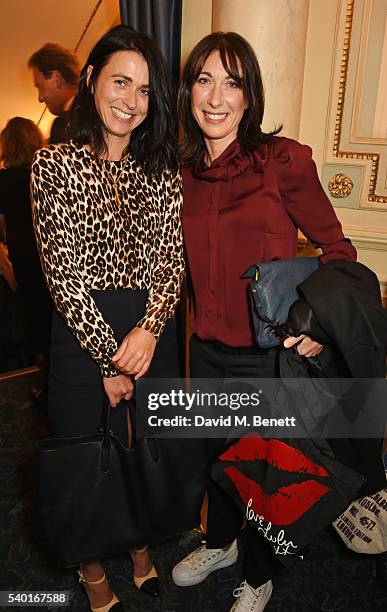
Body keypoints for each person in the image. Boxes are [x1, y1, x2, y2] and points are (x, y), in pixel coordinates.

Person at [172, 32, 357, 612]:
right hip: (204, 348)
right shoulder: (181, 172)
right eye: (204, 79)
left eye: (232, 82)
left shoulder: (283, 161)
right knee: (219, 458)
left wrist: (313, 325)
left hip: (269, 354)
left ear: (250, 95)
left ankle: (259, 573)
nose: (216, 96)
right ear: (188, 90)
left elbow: (337, 250)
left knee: (266, 472)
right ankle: (222, 544)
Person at [31, 25, 184, 612]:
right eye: (121, 81)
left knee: (148, 448)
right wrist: (106, 358)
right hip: (82, 332)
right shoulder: (53, 165)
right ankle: (92, 570)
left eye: (146, 90)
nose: (132, 100)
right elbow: (63, 277)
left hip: (152, 327)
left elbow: (172, 262)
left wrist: (149, 328)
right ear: (91, 80)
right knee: (79, 456)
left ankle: (141, 545)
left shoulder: (160, 167)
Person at [0, 117, 51, 366]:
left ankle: (39, 365)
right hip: (47, 252)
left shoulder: (4, 179)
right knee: (52, 310)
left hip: (21, 255)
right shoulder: (43, 172)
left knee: (32, 310)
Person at [28, 43, 80, 143]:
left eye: (40, 87)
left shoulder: (62, 126)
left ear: (57, 79)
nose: (40, 98)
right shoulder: (100, 108)